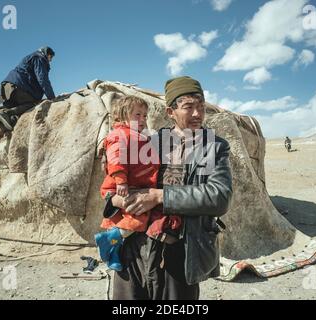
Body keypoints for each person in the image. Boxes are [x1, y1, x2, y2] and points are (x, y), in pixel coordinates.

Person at [104, 76, 233, 300]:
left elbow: (219, 197)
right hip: (133, 245)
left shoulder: (213, 146)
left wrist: (159, 196)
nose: (197, 114)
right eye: (188, 107)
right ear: (170, 111)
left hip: (180, 252)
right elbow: (112, 182)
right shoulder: (149, 141)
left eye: (201, 107)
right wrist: (114, 199)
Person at [95, 96, 181, 272]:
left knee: (126, 219)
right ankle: (109, 239)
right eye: (137, 115)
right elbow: (115, 158)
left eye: (145, 116)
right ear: (122, 115)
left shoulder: (136, 136)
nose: (142, 119)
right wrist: (121, 181)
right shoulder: (121, 135)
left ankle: (113, 252)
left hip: (132, 186)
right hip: (124, 187)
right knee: (138, 218)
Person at [0, 46, 56, 136]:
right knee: (34, 104)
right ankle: (6, 114)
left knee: (13, 113)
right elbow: (42, 79)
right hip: (18, 88)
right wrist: (52, 98)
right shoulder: (39, 58)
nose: (50, 60)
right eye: (50, 57)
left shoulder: (30, 57)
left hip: (6, 90)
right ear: (46, 53)